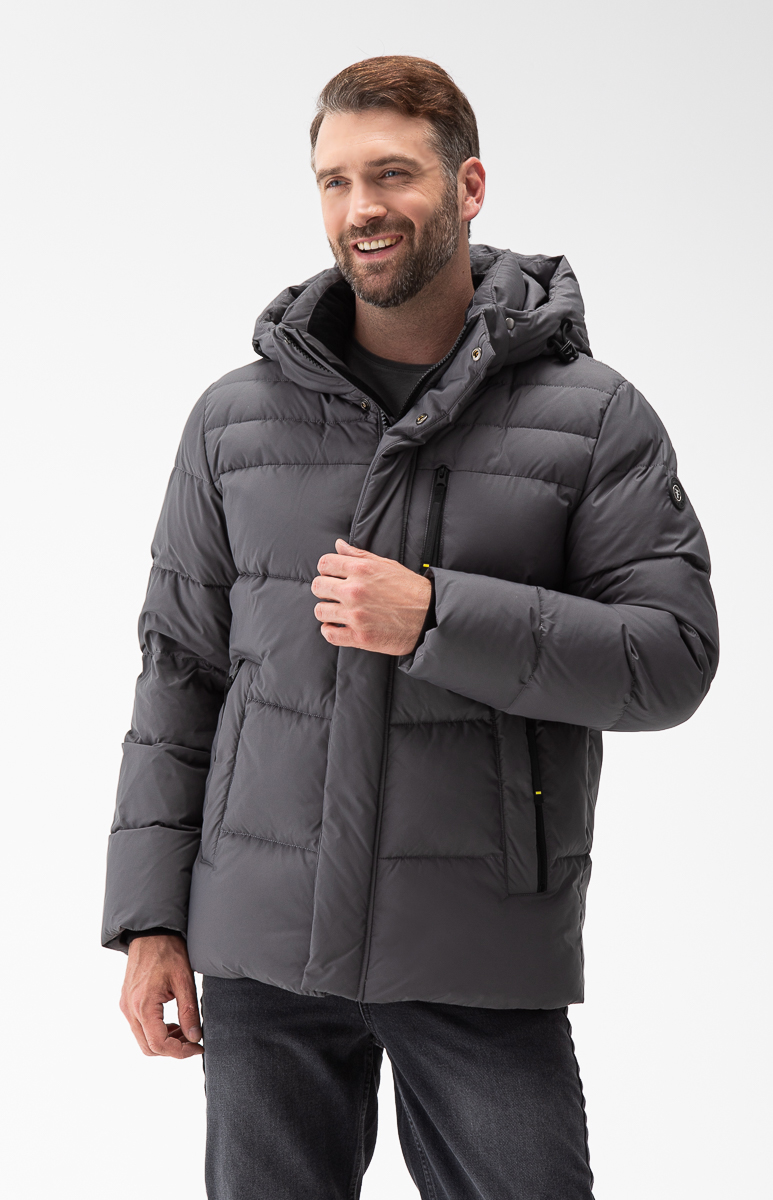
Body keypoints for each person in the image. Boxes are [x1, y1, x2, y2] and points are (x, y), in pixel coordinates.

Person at [103, 55, 719, 1200]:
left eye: (392, 174)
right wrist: (149, 921)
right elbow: (177, 671)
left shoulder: (592, 420)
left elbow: (671, 658)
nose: (362, 208)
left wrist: (437, 616)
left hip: (478, 943)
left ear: (469, 185)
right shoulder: (235, 421)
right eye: (335, 181)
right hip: (264, 947)